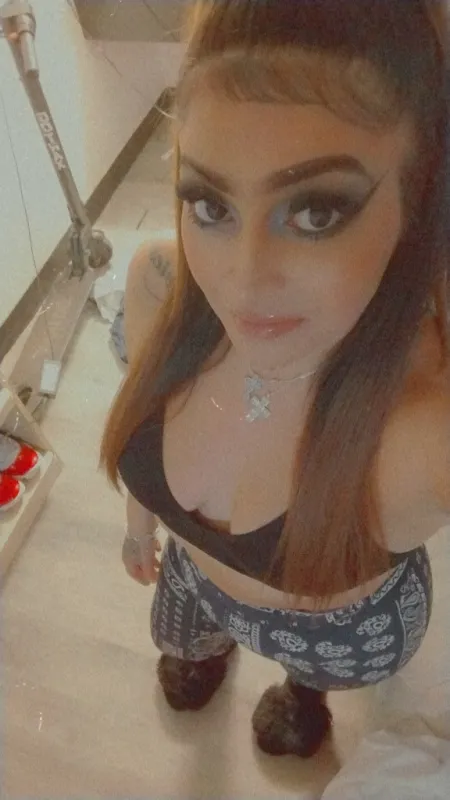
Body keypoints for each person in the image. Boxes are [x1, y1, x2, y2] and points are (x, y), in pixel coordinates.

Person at [101, 0, 450, 759]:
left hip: (333, 634)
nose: (243, 279)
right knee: (185, 642)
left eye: (315, 213)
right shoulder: (163, 281)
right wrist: (139, 529)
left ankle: (301, 691)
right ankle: (205, 653)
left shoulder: (424, 421)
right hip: (190, 578)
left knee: (307, 680)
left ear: (422, 204)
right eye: (210, 203)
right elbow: (146, 416)